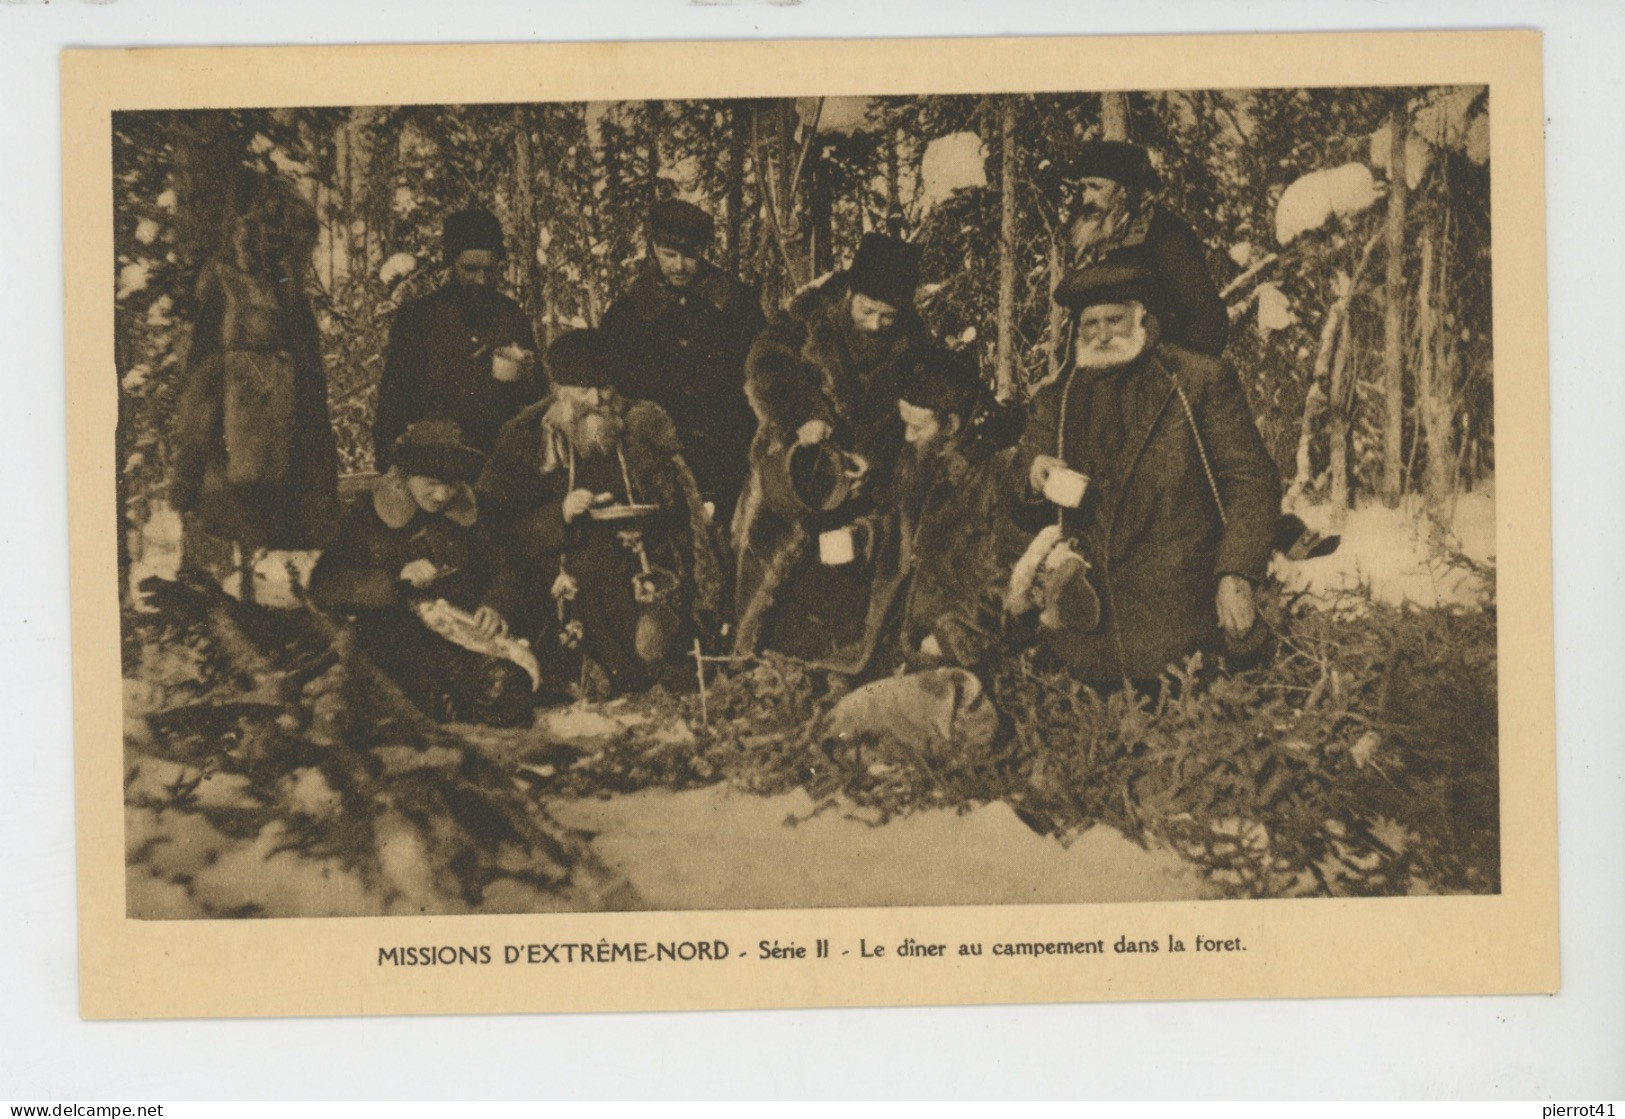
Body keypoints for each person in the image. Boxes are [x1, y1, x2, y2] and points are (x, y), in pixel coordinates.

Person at [1011, 261, 1280, 689]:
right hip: (1088, 639)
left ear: (1142, 317)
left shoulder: (1198, 382)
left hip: (1180, 623)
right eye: (1090, 323)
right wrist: (1033, 474)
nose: (1102, 334)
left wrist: (1236, 574)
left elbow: (1251, 482)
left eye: (1114, 319)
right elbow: (1020, 483)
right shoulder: (1058, 399)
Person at [476, 329, 725, 696]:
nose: (596, 400)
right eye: (583, 390)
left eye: (605, 388)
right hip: (558, 573)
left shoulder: (640, 428)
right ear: (559, 390)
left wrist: (647, 523)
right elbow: (500, 533)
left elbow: (680, 515)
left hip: (638, 564)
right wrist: (559, 513)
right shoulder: (525, 437)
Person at [731, 231, 932, 658]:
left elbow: (915, 408)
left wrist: (873, 460)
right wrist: (803, 414)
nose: (876, 324)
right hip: (792, 468)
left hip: (857, 484)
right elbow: (765, 364)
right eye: (867, 310)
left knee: (842, 574)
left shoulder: (914, 343)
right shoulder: (809, 317)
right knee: (770, 564)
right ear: (851, 293)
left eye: (888, 316)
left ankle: (823, 663)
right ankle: (749, 657)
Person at [169, 172, 342, 583]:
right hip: (238, 468)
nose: (306, 256)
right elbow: (201, 391)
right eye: (297, 245)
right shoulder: (229, 296)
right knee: (235, 581)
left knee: (283, 581)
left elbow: (311, 397)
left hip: (293, 466)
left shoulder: (292, 298)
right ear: (275, 240)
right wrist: (190, 476)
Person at [814, 348, 1025, 680]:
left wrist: (953, 636)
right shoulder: (922, 457)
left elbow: (1012, 575)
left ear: (952, 424)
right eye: (904, 425)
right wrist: (861, 537)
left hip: (953, 654)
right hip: (896, 642)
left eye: (917, 427)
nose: (907, 437)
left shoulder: (999, 471)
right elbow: (899, 525)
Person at [309, 420, 534, 727]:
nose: (442, 495)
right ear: (406, 475)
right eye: (431, 482)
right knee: (418, 706)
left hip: (464, 636)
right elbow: (325, 585)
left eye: (452, 484)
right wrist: (395, 578)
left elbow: (511, 568)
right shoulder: (367, 515)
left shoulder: (480, 511)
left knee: (505, 688)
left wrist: (496, 605)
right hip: (396, 640)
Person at [599, 199, 764, 528]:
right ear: (653, 247)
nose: (679, 266)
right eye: (669, 254)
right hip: (660, 461)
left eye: (690, 255)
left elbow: (762, 372)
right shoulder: (627, 315)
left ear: (704, 250)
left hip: (730, 456)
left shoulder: (736, 303)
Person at [373, 207, 541, 469]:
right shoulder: (418, 320)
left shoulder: (512, 317)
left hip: (498, 466)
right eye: (470, 269)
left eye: (490, 269)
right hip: (435, 467)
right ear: (451, 265)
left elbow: (535, 405)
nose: (482, 280)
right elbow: (391, 410)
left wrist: (528, 376)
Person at [1055, 140, 1229, 358]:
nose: (1087, 198)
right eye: (1084, 188)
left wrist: (1177, 377)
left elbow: (1208, 320)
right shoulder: (1093, 242)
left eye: (1096, 187)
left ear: (1124, 191)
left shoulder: (1164, 233)